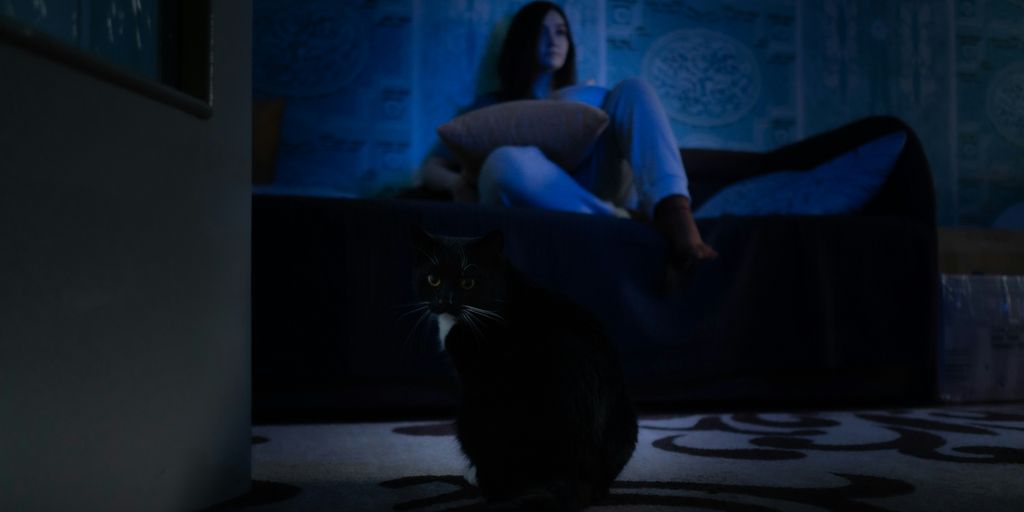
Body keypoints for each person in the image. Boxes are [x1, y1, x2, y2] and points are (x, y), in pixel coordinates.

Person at [419, 1, 717, 282]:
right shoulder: (490, 105)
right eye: (542, 32)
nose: (554, 40)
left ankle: (676, 216)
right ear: (522, 40)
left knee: (633, 88)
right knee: (504, 160)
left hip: (592, 183)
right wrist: (456, 184)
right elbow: (431, 166)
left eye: (561, 32)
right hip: (531, 186)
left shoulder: (584, 97)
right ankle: (622, 221)